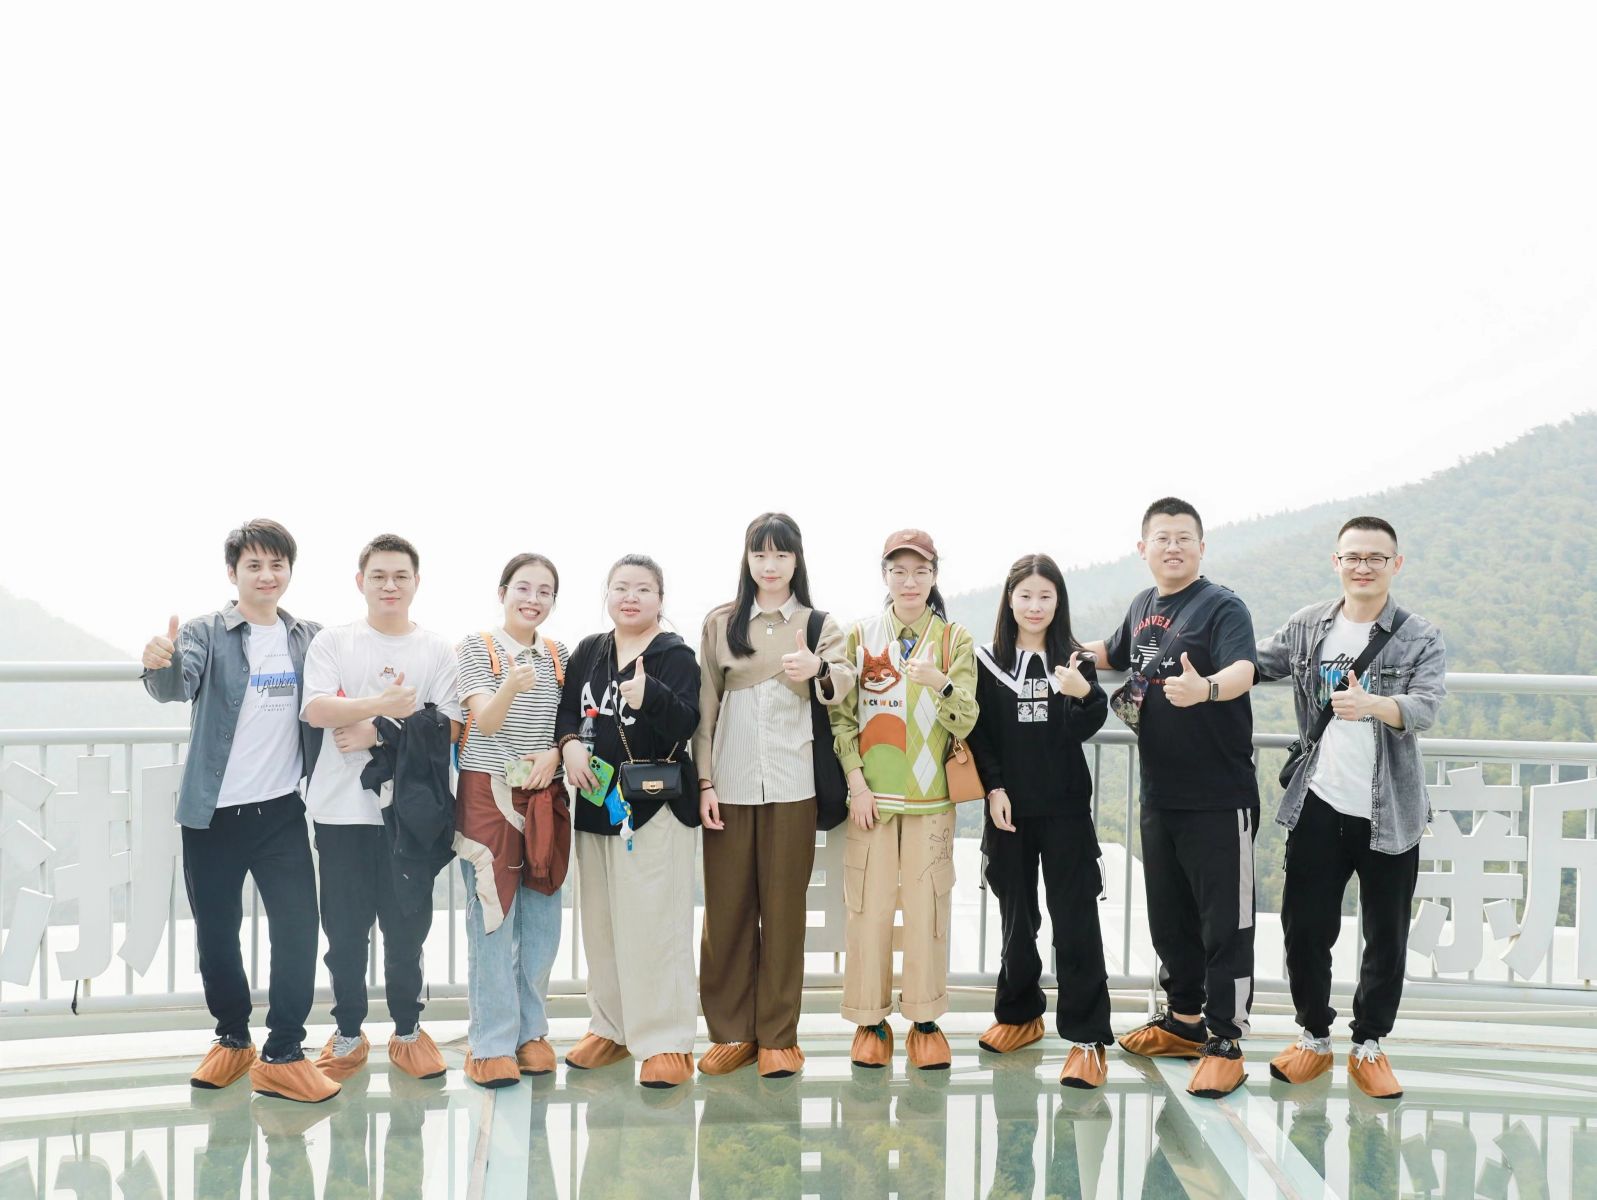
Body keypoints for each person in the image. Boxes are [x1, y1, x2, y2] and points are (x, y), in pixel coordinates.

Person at [141, 519, 337, 1104]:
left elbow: (335, 695)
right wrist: (159, 663)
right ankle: (232, 1039)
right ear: (233, 573)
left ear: (289, 571)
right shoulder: (205, 632)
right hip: (213, 815)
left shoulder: (308, 637)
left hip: (280, 812)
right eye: (254, 565)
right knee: (217, 933)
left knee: (297, 928)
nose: (266, 575)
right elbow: (177, 685)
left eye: (277, 565)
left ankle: (284, 1051)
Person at [1256, 516, 1446, 1100]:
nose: (1364, 567)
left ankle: (1369, 1044)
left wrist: (1373, 704)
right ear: (1336, 562)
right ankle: (1314, 1036)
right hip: (1320, 799)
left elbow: (1425, 707)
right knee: (1304, 929)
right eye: (1353, 557)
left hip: (1392, 810)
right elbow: (1255, 662)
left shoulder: (1419, 635)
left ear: (1396, 564)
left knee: (1386, 935)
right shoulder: (1307, 626)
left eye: (1376, 558)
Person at [1079, 497, 1260, 1099]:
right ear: (1143, 548)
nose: (1173, 546)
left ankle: (1226, 1041)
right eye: (1162, 537)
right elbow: (1110, 653)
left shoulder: (1223, 606)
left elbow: (1243, 670)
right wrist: (1045, 644)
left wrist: (1204, 689)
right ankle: (1184, 1021)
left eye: (1184, 537)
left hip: (1219, 794)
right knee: (1171, 917)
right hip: (1161, 791)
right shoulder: (1143, 606)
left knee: (1225, 924)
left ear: (1202, 547)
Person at [694, 513, 855, 1079]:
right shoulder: (721, 624)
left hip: (793, 787)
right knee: (727, 912)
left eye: (781, 554)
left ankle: (779, 1036)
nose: (770, 565)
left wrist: (818, 668)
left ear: (796, 560)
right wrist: (705, 782)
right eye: (760, 554)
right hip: (730, 787)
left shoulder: (818, 625)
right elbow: (705, 710)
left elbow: (844, 685)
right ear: (747, 559)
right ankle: (731, 1032)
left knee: (785, 913)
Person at [300, 534, 463, 1084]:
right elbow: (317, 709)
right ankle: (348, 1032)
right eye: (378, 576)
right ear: (360, 581)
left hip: (411, 814)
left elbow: (451, 725)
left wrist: (379, 729)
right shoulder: (334, 641)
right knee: (344, 931)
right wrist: (384, 706)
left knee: (407, 928)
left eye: (400, 576)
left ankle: (408, 1032)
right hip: (340, 811)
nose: (389, 585)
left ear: (416, 582)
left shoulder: (436, 649)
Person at [830, 529, 978, 1071]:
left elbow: (967, 718)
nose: (909, 581)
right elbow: (842, 717)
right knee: (867, 911)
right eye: (899, 571)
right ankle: (869, 1021)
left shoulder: (954, 639)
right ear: (885, 575)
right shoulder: (861, 635)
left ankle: (925, 1020)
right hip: (871, 798)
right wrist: (856, 782)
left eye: (920, 571)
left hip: (932, 801)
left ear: (934, 575)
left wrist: (940, 682)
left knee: (927, 912)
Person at [556, 554, 703, 1088]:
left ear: (661, 599)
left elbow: (687, 721)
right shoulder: (590, 650)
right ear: (607, 595)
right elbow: (568, 712)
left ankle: (666, 1042)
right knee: (602, 926)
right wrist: (569, 745)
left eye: (643, 588)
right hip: (596, 804)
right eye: (621, 587)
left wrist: (651, 696)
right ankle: (611, 1028)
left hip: (654, 807)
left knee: (655, 926)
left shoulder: (674, 654)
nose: (631, 597)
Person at [966, 554, 1113, 1088]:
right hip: (1009, 808)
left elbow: (1084, 726)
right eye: (1025, 595)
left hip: (1066, 808)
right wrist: (994, 788)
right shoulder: (987, 662)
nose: (1034, 606)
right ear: (1009, 600)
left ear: (1058, 602)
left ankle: (1087, 1039)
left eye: (1045, 596)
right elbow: (980, 733)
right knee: (1017, 916)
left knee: (1075, 920)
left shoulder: (1074, 661)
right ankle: (1019, 1014)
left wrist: (1084, 693)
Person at [453, 553, 571, 1089]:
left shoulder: (560, 654)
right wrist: (509, 686)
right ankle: (490, 1043)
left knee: (543, 917)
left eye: (544, 591)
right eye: (523, 587)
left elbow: (570, 723)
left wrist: (556, 752)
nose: (533, 599)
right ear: (502, 592)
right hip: (489, 793)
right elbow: (484, 721)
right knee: (494, 916)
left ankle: (531, 1034)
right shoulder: (477, 647)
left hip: (544, 792)